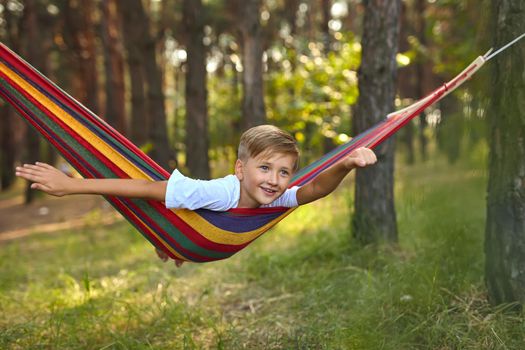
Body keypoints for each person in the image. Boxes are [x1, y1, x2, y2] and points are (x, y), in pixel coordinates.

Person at [15, 125, 377, 266]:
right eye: (265, 168)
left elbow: (314, 188)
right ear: (240, 169)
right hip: (188, 223)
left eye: (284, 172)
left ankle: (170, 242)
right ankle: (167, 239)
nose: (275, 180)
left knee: (181, 233)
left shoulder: (276, 197)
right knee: (174, 214)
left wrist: (345, 164)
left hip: (197, 238)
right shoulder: (220, 192)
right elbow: (145, 189)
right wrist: (72, 185)